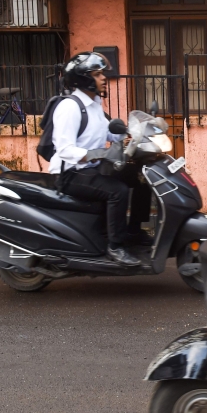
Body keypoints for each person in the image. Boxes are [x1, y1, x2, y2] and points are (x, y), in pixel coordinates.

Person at [49, 52, 152, 267]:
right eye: (97, 74)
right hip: (70, 173)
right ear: (85, 79)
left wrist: (135, 132)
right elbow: (64, 148)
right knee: (118, 190)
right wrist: (98, 154)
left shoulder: (94, 105)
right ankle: (116, 246)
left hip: (92, 168)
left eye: (102, 73)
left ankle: (133, 230)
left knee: (142, 177)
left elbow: (110, 133)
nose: (104, 78)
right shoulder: (69, 107)